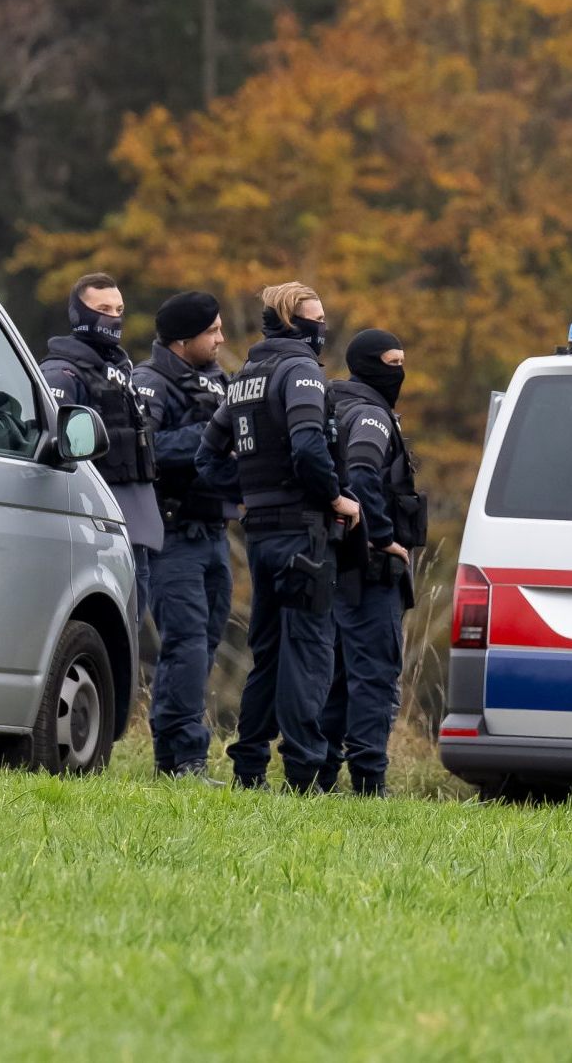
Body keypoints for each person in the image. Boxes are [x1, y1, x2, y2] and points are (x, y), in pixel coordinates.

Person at [196, 281, 361, 791]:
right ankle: (304, 773)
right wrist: (334, 497)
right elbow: (309, 445)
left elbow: (207, 458)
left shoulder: (246, 376)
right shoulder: (301, 371)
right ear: (294, 322)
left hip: (263, 535)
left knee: (267, 652)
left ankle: (249, 767)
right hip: (302, 533)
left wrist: (252, 493)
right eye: (317, 319)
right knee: (308, 652)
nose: (323, 327)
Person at [133, 291, 240, 780]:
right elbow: (144, 448)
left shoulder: (219, 382)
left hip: (214, 531)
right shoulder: (149, 382)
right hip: (173, 533)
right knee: (187, 645)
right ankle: (184, 758)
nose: (220, 338)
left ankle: (175, 758)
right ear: (182, 339)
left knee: (205, 644)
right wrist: (210, 438)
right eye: (212, 331)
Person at [318, 329, 428, 797]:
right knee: (375, 675)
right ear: (367, 364)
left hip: (336, 563)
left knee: (337, 676)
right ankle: (369, 780)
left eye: (402, 361)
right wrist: (383, 539)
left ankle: (319, 775)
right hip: (369, 569)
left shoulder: (336, 404)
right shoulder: (371, 415)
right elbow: (363, 472)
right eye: (391, 362)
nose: (399, 372)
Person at [39, 274, 161, 628]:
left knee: (129, 630)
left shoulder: (121, 373)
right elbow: (52, 452)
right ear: (79, 314)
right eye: (103, 309)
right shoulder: (61, 373)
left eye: (119, 310)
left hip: (131, 526)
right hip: (93, 527)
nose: (114, 318)